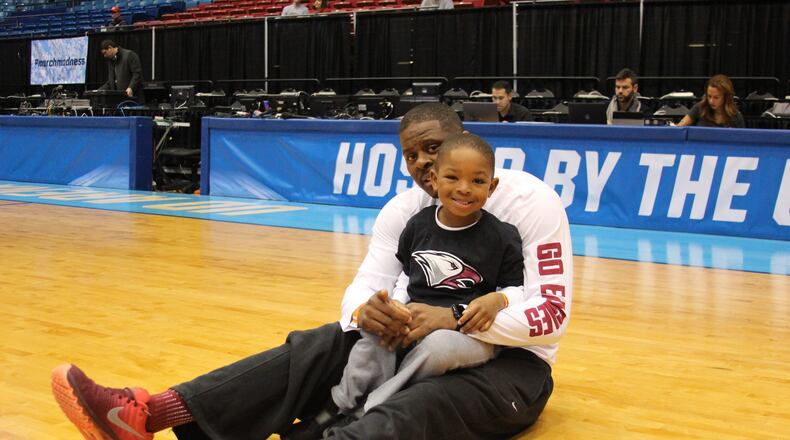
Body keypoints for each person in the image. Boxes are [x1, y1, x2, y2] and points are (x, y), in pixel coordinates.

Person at [51, 103, 572, 440]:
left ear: (465, 139)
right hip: (421, 342)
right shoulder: (404, 211)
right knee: (319, 345)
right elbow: (365, 286)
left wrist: (451, 318)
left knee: (413, 407)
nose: (423, 163)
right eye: (412, 154)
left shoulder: (530, 203)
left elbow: (553, 313)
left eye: (434, 147)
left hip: (513, 366)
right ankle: (149, 414)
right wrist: (367, 311)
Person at [289, 133, 526, 439]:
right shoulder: (418, 224)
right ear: (435, 179)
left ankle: (369, 411)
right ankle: (337, 406)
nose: (464, 189)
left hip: (467, 332)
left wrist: (496, 301)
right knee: (375, 334)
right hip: (415, 320)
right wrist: (396, 306)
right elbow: (405, 274)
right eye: (453, 177)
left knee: (436, 349)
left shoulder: (503, 236)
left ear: (491, 187)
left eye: (478, 181)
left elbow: (517, 290)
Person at [677, 74, 745, 128]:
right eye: (709, 96)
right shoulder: (700, 107)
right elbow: (680, 127)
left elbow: (742, 141)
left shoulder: (736, 116)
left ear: (726, 97)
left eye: (716, 97)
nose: (711, 101)